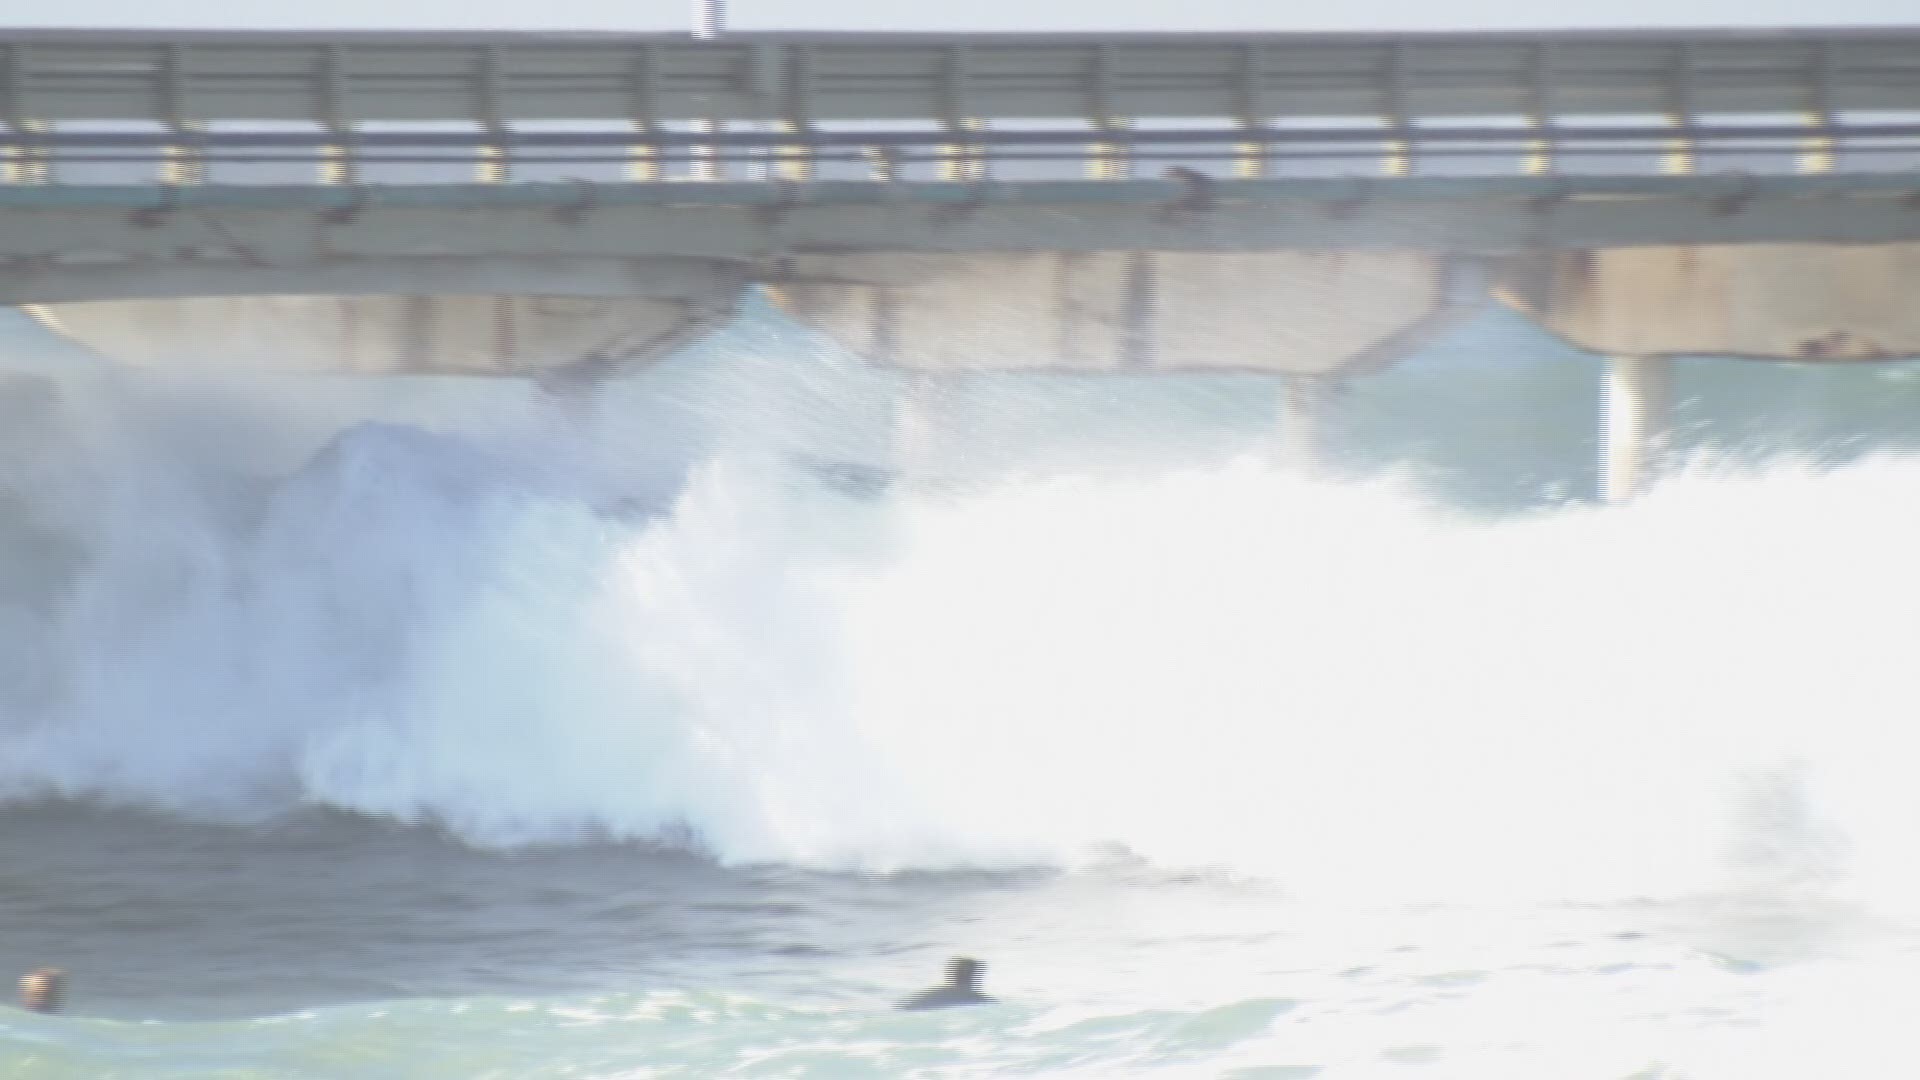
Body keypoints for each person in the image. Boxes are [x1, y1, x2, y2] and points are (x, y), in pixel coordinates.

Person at [898, 956, 995, 1010]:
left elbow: (905, 1009)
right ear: (977, 975)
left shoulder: (931, 995)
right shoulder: (985, 1002)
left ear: (952, 973)